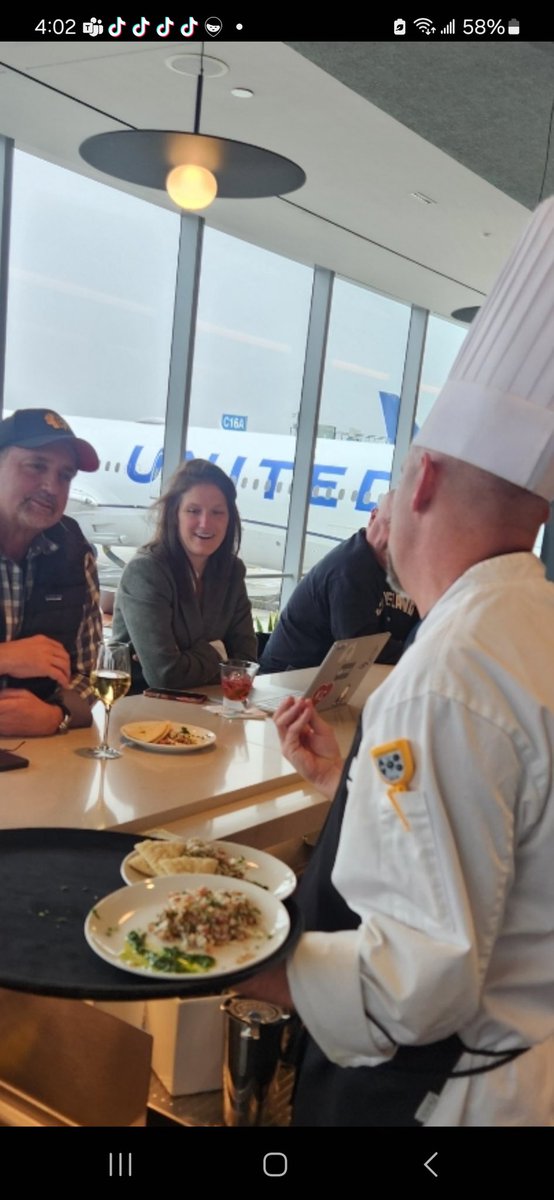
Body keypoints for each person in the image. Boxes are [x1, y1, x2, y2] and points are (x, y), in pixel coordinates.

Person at [237, 196, 554, 1126]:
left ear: (419, 480)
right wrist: (356, 783)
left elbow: (421, 982)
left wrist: (250, 957)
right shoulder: (529, 623)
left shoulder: (449, 667)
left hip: (443, 1099)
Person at [112, 457, 257, 690]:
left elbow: (246, 662)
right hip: (142, 713)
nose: (205, 523)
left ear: (230, 519)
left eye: (217, 512)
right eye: (193, 510)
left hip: (210, 707)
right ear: (174, 515)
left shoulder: (232, 572)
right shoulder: (146, 572)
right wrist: (220, 651)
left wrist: (186, 657)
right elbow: (165, 675)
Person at [0, 407, 103, 736]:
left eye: (65, 475)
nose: (52, 486)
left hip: (39, 760)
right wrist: (6, 657)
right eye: (37, 466)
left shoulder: (74, 552)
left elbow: (86, 676)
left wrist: (56, 715)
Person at [259, 492, 418, 673]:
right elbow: (361, 649)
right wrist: (419, 652)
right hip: (288, 679)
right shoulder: (350, 570)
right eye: (391, 525)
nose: (397, 538)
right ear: (373, 517)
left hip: (337, 681)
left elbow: (421, 629)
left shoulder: (405, 570)